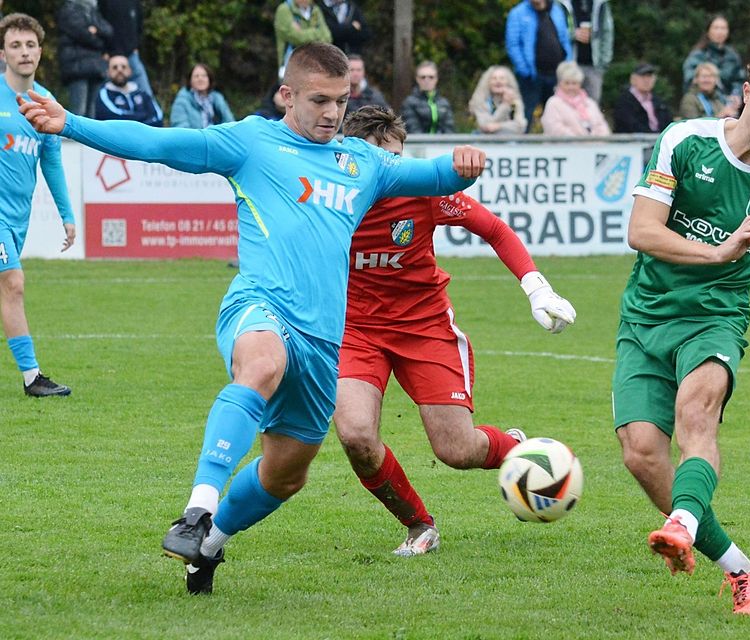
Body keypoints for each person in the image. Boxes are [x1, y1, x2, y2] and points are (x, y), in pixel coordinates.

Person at [19, 41, 486, 594]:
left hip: (322, 343)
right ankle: (196, 510)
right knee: (260, 363)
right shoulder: (253, 141)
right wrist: (70, 123)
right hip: (260, 303)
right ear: (286, 95)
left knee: (287, 472)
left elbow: (432, 176)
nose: (333, 114)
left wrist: (462, 167)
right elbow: (161, 143)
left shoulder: (363, 163)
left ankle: (209, 544)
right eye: (319, 100)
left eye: (341, 101)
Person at [614, 40, 750, 615]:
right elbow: (642, 230)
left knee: (696, 416)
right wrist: (720, 251)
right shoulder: (685, 139)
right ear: (746, 93)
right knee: (641, 453)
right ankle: (741, 569)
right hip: (647, 313)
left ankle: (680, 522)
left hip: (717, 318)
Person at [335, 105, 576, 556]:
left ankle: (514, 448)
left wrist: (537, 289)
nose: (394, 171)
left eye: (399, 160)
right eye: (382, 161)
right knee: (356, 437)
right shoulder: (331, 196)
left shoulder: (422, 189)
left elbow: (494, 229)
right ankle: (419, 526)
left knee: (457, 450)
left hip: (423, 327)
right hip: (356, 330)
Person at [0, 13, 75, 397]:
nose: (24, 52)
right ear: (3, 53)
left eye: (30, 45)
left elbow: (52, 162)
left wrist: (67, 215)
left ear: (41, 51)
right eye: (15, 45)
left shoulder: (45, 102)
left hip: (17, 218)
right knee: (13, 283)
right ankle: (32, 378)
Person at [505, 0, 572, 133]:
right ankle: (521, 146)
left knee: (557, 115)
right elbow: (513, 44)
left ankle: (556, 147)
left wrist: (567, 65)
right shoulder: (518, 13)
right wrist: (524, 69)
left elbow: (564, 39)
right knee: (526, 113)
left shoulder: (557, 10)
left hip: (556, 75)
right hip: (531, 76)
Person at [56, 0, 113, 118]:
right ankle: (74, 137)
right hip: (76, 67)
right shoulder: (69, 10)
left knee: (92, 112)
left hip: (95, 67)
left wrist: (96, 30)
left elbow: (109, 30)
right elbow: (82, 34)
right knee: (79, 111)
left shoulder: (93, 10)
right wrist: (100, 41)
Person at [682, 14, 746, 109]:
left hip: (732, 105)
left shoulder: (732, 55)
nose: (719, 32)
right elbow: (690, 80)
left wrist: (736, 94)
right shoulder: (698, 55)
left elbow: (739, 78)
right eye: (716, 28)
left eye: (723, 28)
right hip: (704, 105)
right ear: (708, 31)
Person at [556, 0, 614, 103]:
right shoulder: (562, 3)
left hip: (594, 66)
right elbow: (555, 29)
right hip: (570, 65)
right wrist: (573, 34)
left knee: (592, 104)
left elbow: (607, 32)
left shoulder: (600, 3)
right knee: (567, 104)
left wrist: (604, 62)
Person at [98, 0, 153, 97]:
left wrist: (136, 45)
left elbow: (139, 24)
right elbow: (99, 23)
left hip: (131, 54)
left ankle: (153, 112)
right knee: (103, 94)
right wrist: (104, 50)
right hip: (110, 57)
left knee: (146, 92)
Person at [540, 60, 609, 136]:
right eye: (567, 83)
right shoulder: (553, 103)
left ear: (580, 84)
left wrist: (595, 140)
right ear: (560, 83)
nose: (571, 87)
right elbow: (555, 129)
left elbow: (602, 126)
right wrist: (581, 140)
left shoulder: (590, 103)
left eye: (574, 83)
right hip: (563, 146)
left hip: (593, 146)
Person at [94, 54, 163, 126]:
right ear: (108, 72)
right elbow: (114, 118)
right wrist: (144, 117)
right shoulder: (104, 94)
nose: (119, 70)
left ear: (130, 71)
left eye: (123, 67)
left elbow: (158, 116)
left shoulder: (141, 92)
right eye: (115, 67)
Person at [274, 0, 331, 77]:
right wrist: (317, 32)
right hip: (291, 63)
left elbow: (328, 37)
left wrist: (304, 32)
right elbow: (296, 38)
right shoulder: (284, 9)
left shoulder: (315, 9)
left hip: (315, 62)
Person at [170, 63, 235, 129]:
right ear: (190, 81)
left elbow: (230, 122)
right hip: (194, 138)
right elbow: (180, 128)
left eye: (204, 76)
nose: (200, 79)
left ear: (209, 79)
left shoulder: (217, 98)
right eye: (196, 76)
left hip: (215, 138)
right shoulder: (182, 100)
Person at [612, 63, 672, 134]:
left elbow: (668, 123)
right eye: (643, 76)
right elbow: (631, 126)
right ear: (633, 79)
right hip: (633, 142)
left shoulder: (658, 101)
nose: (647, 80)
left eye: (649, 76)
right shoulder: (624, 101)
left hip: (659, 141)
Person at [468, 65, 527, 135]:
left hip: (509, 141)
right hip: (483, 140)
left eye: (502, 78)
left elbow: (521, 126)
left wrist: (499, 126)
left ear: (508, 82)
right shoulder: (480, 100)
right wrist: (505, 105)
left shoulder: (515, 101)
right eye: (494, 78)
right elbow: (485, 125)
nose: (498, 81)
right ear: (488, 82)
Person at [401, 61, 455, 134]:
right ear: (417, 79)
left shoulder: (444, 103)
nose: (427, 80)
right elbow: (413, 130)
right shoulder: (409, 103)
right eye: (423, 77)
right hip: (417, 144)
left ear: (436, 79)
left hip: (442, 144)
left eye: (431, 77)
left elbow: (449, 130)